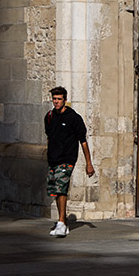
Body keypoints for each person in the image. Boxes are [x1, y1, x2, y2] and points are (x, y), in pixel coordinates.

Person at [44, 86, 94, 237]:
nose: (56, 102)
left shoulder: (74, 118)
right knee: (56, 191)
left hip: (67, 158)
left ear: (65, 100)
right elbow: (49, 137)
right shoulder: (49, 116)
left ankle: (60, 222)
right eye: (54, 99)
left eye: (59, 99)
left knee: (61, 188)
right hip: (53, 158)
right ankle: (63, 223)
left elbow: (83, 141)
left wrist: (89, 163)